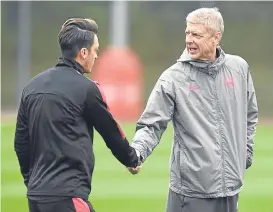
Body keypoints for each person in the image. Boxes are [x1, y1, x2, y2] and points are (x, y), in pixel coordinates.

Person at [128, 7, 258, 212]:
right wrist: (137, 153)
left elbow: (250, 115)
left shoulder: (239, 68)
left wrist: (245, 154)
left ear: (217, 37)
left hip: (231, 189)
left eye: (196, 34)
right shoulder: (173, 77)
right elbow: (151, 124)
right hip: (191, 193)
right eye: (187, 33)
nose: (189, 39)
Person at [14, 18, 141, 212]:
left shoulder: (31, 87)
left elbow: (21, 143)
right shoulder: (86, 89)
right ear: (83, 53)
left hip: (36, 198)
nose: (96, 56)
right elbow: (110, 131)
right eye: (95, 50)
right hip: (68, 196)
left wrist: (31, 181)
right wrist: (131, 159)